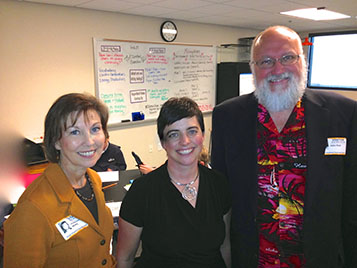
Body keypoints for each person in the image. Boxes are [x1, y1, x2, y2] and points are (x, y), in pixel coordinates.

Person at [211, 25, 357, 268]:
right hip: (252, 260)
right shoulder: (228, 117)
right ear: (253, 68)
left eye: (287, 57)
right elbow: (221, 194)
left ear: (303, 62)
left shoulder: (343, 115)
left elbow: (352, 202)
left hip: (321, 259)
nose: (277, 69)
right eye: (266, 61)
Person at [116, 97, 232, 268]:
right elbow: (124, 258)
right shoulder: (142, 192)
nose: (185, 141)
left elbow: (225, 246)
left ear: (203, 135)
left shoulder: (218, 184)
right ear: (163, 142)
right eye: (174, 134)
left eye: (192, 131)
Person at [4, 93, 116, 267]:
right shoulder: (33, 208)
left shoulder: (93, 180)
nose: (89, 141)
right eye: (74, 132)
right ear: (56, 141)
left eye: (95, 129)